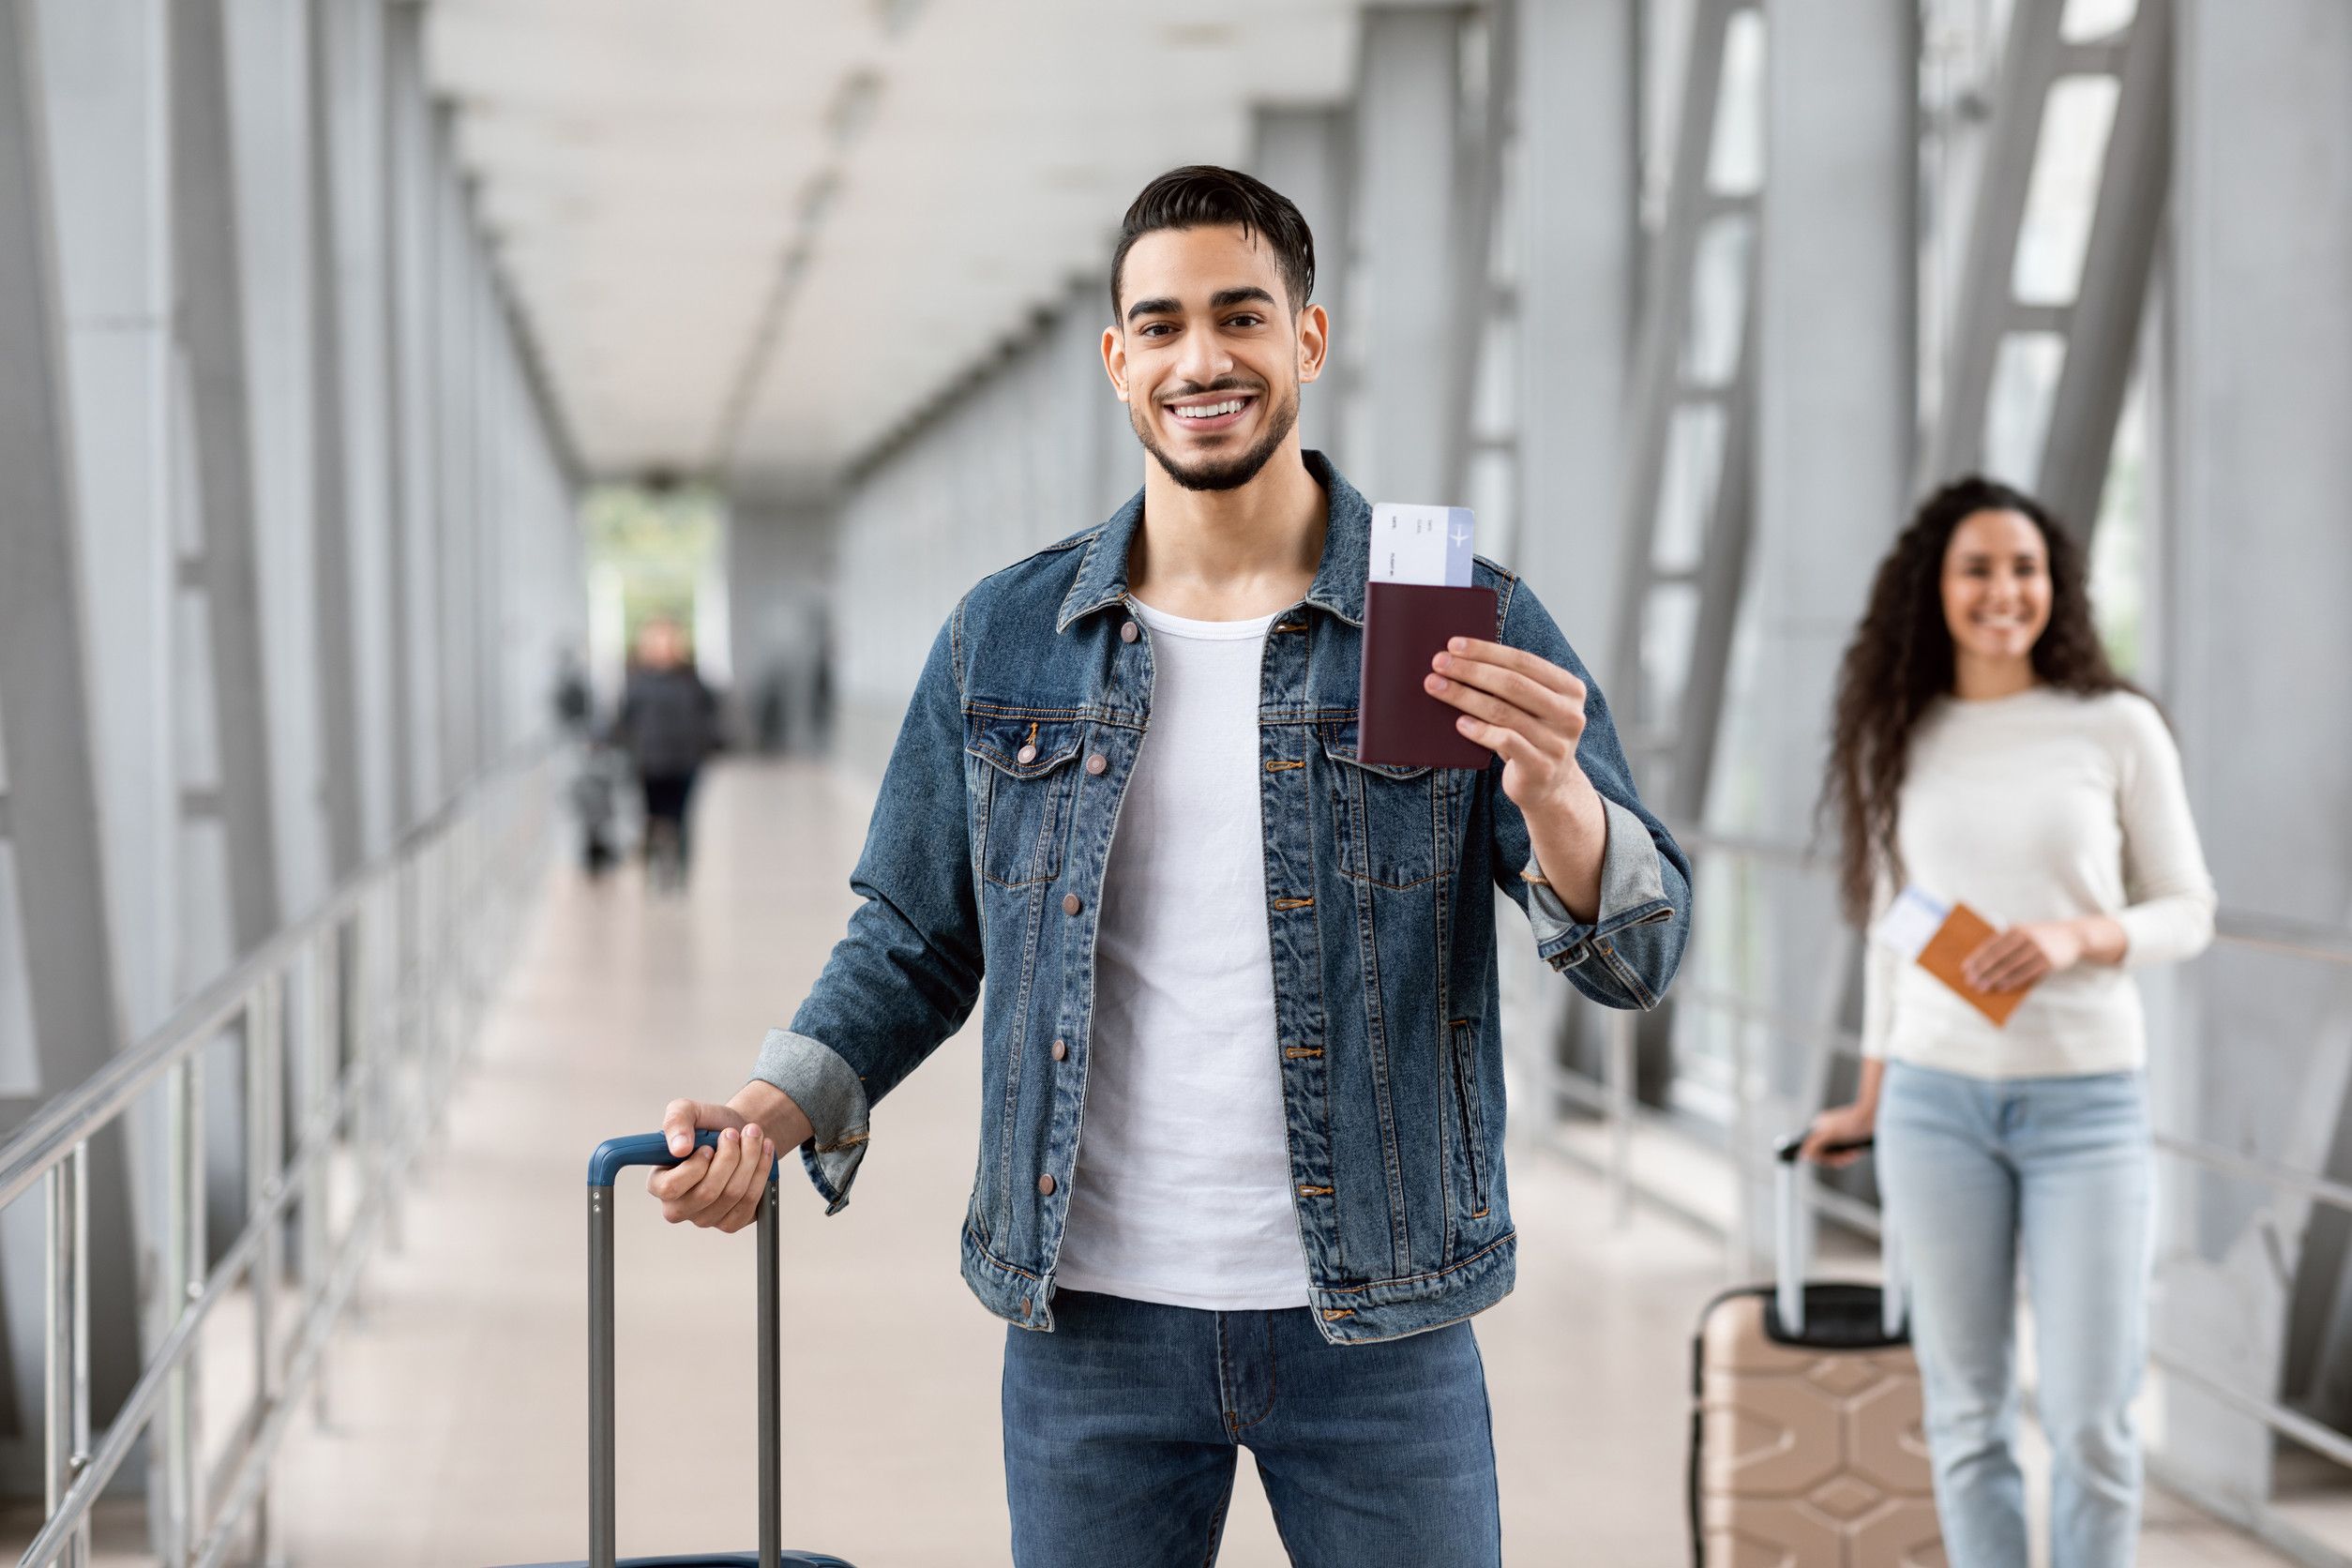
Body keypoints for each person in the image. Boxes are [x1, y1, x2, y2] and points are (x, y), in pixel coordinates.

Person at [647, 167, 1691, 1566]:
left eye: (1241, 317)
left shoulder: (1453, 619)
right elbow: (913, 940)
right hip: (1093, 1328)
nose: (1201, 360)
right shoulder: (1008, 636)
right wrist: (774, 1110)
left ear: (1307, 342)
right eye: (1162, 326)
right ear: (1117, 360)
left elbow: (1638, 954)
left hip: (1382, 1319)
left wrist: (1554, 791)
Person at [1801, 477, 2215, 1567]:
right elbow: (1896, 935)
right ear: (1934, 589)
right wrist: (1873, 1098)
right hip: (1937, 1108)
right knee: (1967, 1416)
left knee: (2093, 1421)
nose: (2003, 590)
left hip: (2088, 1103)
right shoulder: (1900, 734)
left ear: (2056, 585)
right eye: (1977, 568)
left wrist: (2080, 936)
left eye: (2025, 567)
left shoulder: (2116, 725)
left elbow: (2189, 908)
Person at [614, 618, 718, 889]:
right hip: (649, 763)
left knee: (682, 819)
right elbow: (622, 720)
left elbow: (710, 711)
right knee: (651, 819)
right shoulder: (637, 681)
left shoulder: (691, 679)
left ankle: (681, 876)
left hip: (685, 761)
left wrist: (706, 744)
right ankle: (650, 873)